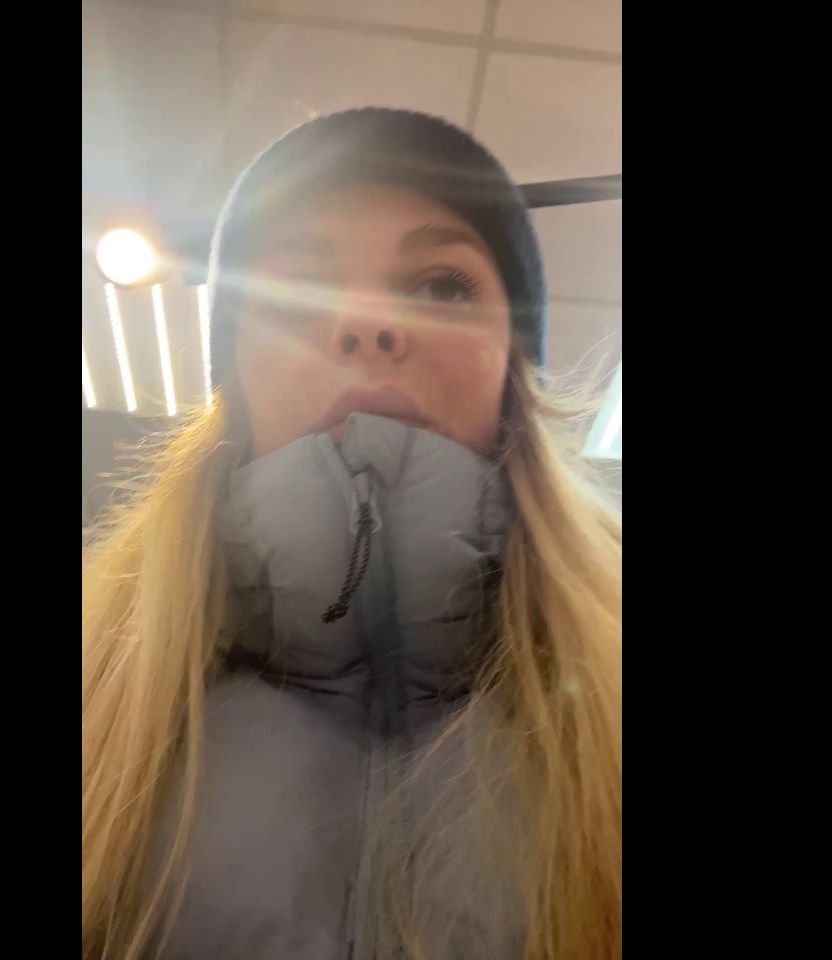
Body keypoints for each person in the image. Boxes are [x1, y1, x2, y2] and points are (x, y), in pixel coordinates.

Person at [83, 108, 621, 960]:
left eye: (441, 285)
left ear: (512, 370)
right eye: (296, 288)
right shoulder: (99, 707)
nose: (367, 323)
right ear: (236, 381)